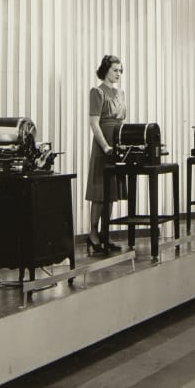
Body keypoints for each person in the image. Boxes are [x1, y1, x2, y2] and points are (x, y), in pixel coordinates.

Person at [86, 54, 127, 255]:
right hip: (103, 146)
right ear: (106, 70)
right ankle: (93, 234)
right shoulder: (97, 92)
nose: (118, 74)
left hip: (117, 144)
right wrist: (105, 147)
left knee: (111, 193)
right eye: (115, 70)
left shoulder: (121, 94)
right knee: (99, 193)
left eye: (120, 70)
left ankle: (105, 233)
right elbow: (94, 123)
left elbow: (122, 122)